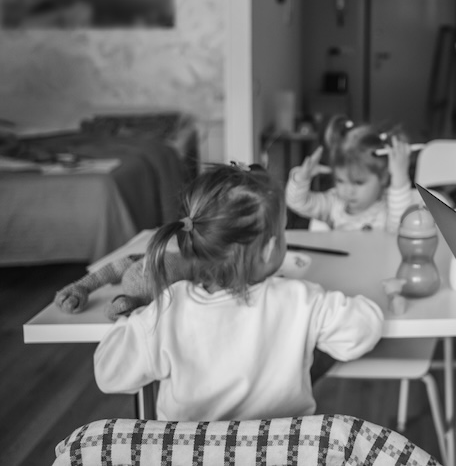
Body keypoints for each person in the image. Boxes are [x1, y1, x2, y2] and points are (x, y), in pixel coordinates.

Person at [93, 163, 385, 421]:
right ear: (271, 249)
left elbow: (109, 373)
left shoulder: (169, 306)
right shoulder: (300, 298)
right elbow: (363, 331)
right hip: (279, 456)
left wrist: (137, 318)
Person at [286, 116, 414, 232]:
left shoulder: (389, 208)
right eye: (340, 181)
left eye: (358, 183)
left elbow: (403, 227)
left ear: (383, 177)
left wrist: (399, 177)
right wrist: (301, 178)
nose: (348, 190)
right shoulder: (334, 203)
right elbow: (298, 203)